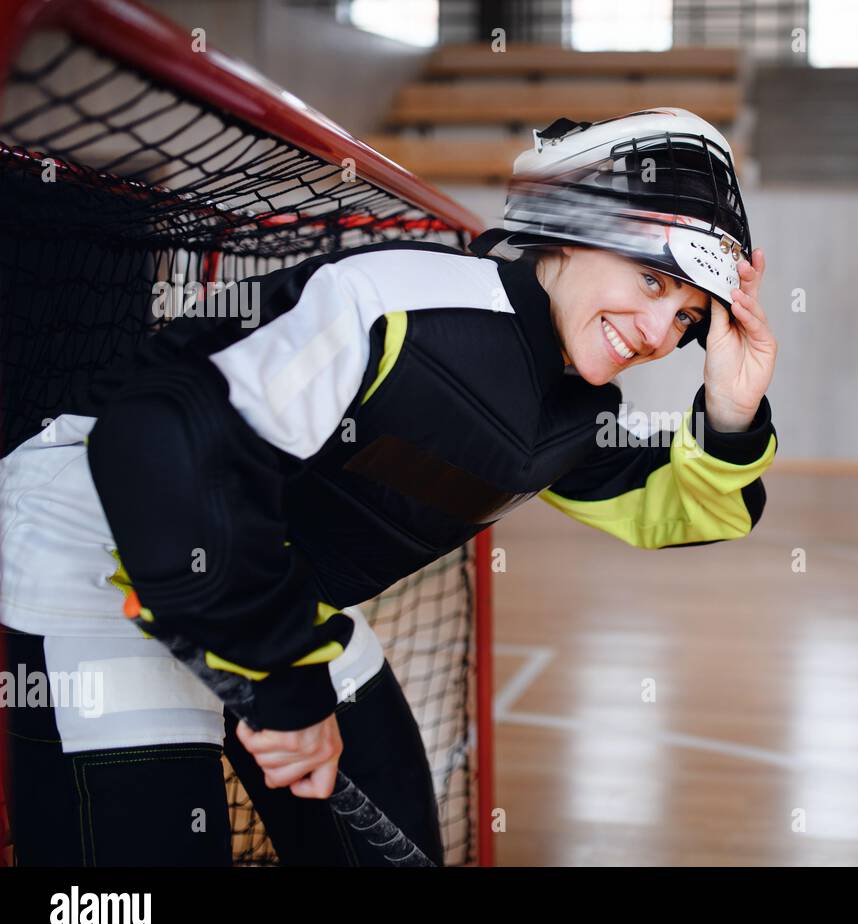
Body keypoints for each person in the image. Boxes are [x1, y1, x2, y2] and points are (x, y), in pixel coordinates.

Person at [0, 108, 778, 864]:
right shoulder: (400, 303)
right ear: (575, 234)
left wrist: (734, 412)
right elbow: (158, 443)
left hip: (259, 582)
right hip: (97, 553)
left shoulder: (575, 412)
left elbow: (676, 508)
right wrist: (285, 686)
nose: (656, 334)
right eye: (650, 282)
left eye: (687, 319)